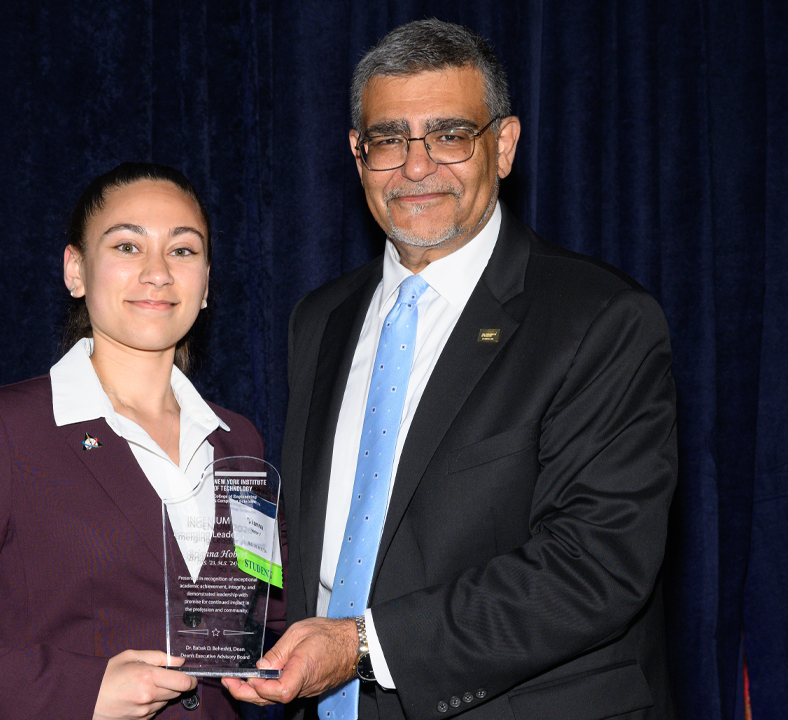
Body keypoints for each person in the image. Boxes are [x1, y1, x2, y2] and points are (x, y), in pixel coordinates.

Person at [224, 19, 677, 720]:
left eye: (449, 135)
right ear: (357, 153)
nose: (414, 166)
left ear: (503, 146)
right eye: (389, 140)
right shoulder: (320, 318)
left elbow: (594, 568)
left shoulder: (600, 319)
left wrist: (362, 646)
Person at [0, 162, 282, 720]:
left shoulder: (239, 440)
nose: (157, 272)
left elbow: (254, 621)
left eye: (182, 251)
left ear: (206, 284)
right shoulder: (3, 429)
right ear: (76, 271)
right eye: (128, 247)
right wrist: (80, 690)